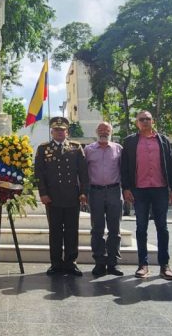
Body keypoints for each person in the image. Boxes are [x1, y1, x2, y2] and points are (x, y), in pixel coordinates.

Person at [120, 110, 172, 280]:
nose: (145, 121)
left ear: (153, 121)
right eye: (141, 119)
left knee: (162, 227)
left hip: (160, 189)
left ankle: (164, 265)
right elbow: (124, 167)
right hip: (139, 189)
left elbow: (171, 164)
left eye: (148, 119)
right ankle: (143, 265)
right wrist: (126, 188)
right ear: (137, 122)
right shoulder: (130, 141)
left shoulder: (163, 140)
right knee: (141, 228)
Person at [34, 117, 89, 276]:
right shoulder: (43, 148)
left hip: (72, 197)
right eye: (56, 130)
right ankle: (56, 263)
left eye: (62, 130)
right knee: (55, 231)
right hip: (52, 198)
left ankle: (71, 262)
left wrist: (83, 192)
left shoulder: (76, 148)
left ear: (67, 132)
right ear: (51, 132)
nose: (59, 132)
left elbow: (83, 172)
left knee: (72, 231)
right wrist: (43, 193)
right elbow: (39, 173)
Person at [83, 122, 122, 277]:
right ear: (96, 132)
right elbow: (83, 173)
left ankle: (113, 263)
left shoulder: (119, 149)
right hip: (95, 192)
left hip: (114, 191)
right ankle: (99, 262)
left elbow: (123, 170)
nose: (103, 132)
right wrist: (83, 193)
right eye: (100, 130)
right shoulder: (88, 150)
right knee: (97, 229)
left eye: (106, 130)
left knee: (115, 229)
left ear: (111, 131)